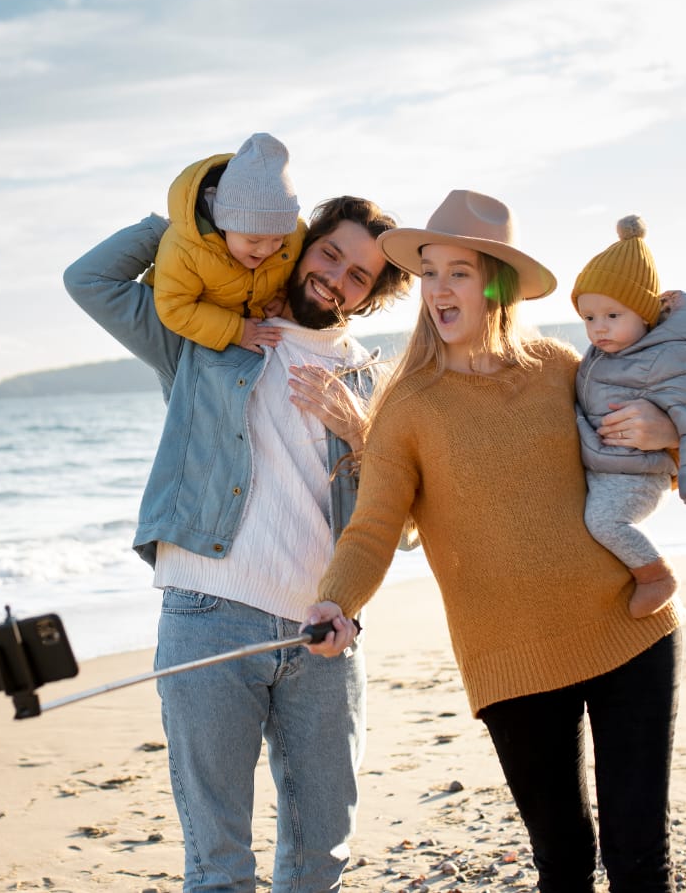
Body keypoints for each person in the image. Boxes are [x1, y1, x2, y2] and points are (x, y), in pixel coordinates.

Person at [305, 190, 684, 892]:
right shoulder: (407, 405)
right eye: (429, 272)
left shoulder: (560, 367)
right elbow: (375, 526)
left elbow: (655, 429)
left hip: (628, 628)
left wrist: (670, 436)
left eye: (459, 271)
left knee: (640, 859)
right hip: (509, 659)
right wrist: (337, 602)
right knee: (564, 861)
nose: (439, 289)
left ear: (496, 284)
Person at [64, 177, 412, 892]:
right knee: (219, 865)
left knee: (320, 859)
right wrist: (207, 216)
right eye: (328, 253)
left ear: (370, 295)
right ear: (300, 244)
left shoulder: (375, 383)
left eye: (358, 275)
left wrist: (360, 429)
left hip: (325, 633)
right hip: (207, 615)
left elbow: (403, 528)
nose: (335, 277)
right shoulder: (206, 333)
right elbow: (90, 279)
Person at [572, 214, 686, 618]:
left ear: (644, 314)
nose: (598, 328)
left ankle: (657, 576)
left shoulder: (669, 357)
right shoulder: (606, 352)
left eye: (612, 316)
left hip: (637, 474)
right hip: (607, 466)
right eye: (589, 318)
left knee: (603, 523)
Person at [149, 132, 306, 353]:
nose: (266, 250)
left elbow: (291, 274)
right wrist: (237, 331)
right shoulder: (185, 250)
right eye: (253, 239)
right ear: (223, 224)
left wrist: (280, 298)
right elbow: (173, 307)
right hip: (190, 335)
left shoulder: (295, 238)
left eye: (277, 239)